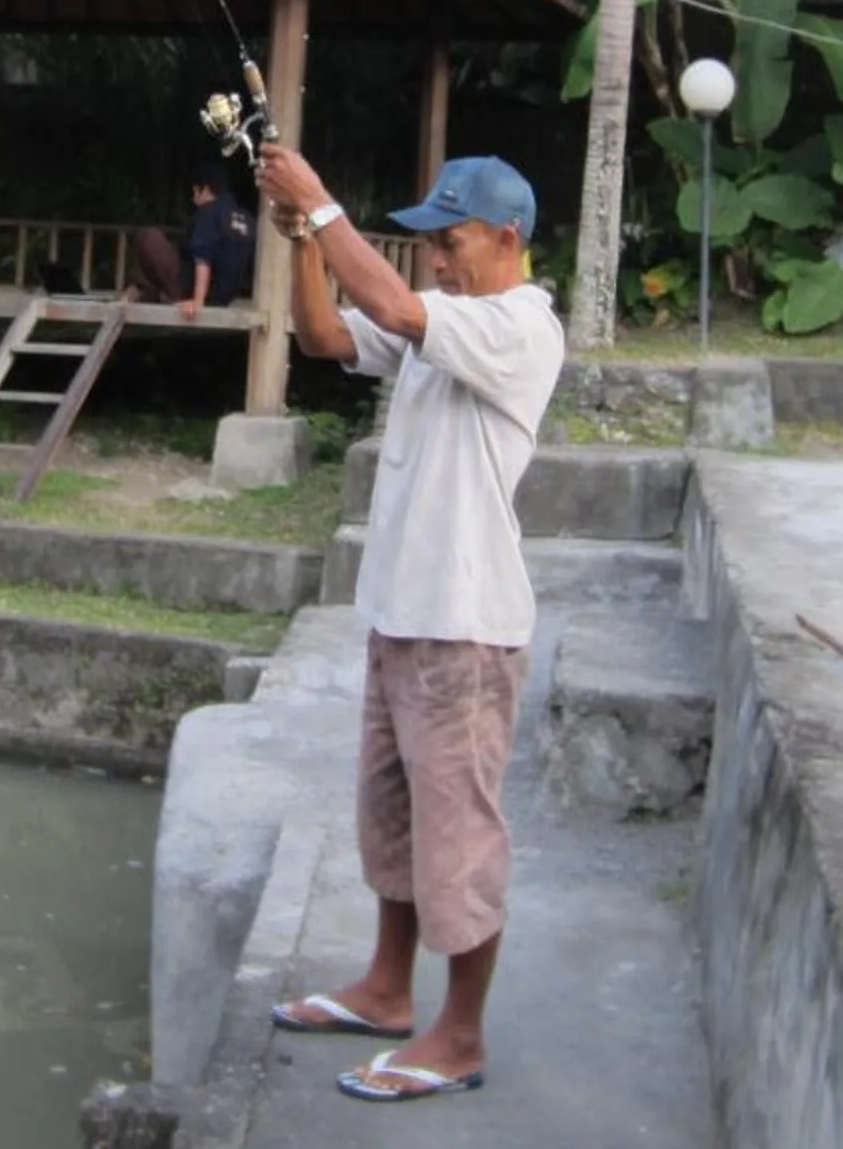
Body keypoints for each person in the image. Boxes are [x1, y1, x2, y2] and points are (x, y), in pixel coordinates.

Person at [254, 143, 565, 1106]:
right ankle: (389, 991)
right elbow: (324, 339)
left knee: (459, 837)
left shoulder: (515, 325)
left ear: (508, 240)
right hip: (404, 614)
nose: (436, 258)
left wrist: (321, 201)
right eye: (429, 243)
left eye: (452, 240)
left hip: (467, 630)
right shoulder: (448, 327)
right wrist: (306, 240)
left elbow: (390, 307)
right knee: (392, 818)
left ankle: (460, 1036)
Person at [122, 174, 257, 316]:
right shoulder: (248, 220)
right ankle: (144, 290)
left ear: (205, 190)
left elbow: (202, 257)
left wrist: (197, 302)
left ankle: (152, 292)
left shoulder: (209, 212)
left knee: (148, 236)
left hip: (195, 290)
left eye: (195, 193)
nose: (194, 199)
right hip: (224, 297)